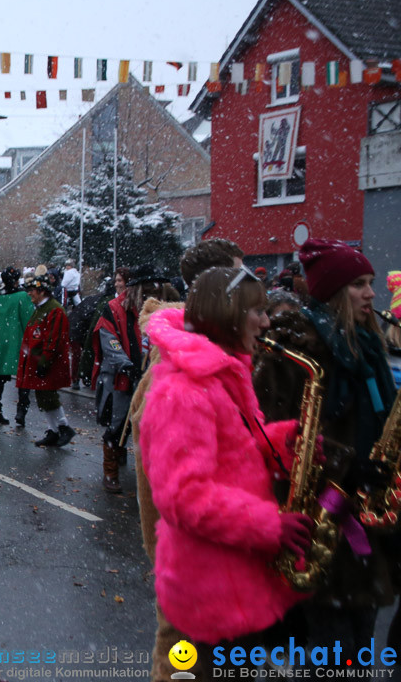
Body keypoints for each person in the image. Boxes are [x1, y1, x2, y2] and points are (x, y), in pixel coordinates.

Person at [138, 267, 312, 667]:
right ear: (229, 314)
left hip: (233, 581)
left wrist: (286, 443)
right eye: (257, 311)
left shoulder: (222, 375)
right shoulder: (184, 390)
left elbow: (238, 454)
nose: (267, 322)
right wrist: (269, 526)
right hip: (209, 594)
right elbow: (184, 496)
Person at [253, 239, 396, 661]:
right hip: (319, 523)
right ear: (334, 292)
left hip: (369, 518)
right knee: (334, 654)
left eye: (370, 283)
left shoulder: (368, 349)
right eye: (358, 284)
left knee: (359, 646)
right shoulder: (295, 353)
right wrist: (344, 465)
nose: (371, 293)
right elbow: (271, 437)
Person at [125, 238, 244, 682]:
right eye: (240, 277)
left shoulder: (223, 350)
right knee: (185, 660)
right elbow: (172, 487)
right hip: (195, 559)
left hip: (230, 556)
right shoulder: (177, 364)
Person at [91, 265, 175, 493]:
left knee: (149, 425)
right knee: (117, 424)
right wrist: (127, 366)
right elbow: (109, 341)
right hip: (121, 378)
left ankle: (145, 471)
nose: (153, 295)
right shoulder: (114, 309)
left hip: (154, 377)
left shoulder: (161, 310)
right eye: (148, 290)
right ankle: (110, 470)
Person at [17, 277, 75, 447]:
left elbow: (54, 339)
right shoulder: (41, 309)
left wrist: (44, 361)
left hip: (48, 363)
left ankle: (63, 427)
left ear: (42, 291)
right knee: (42, 396)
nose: (29, 294)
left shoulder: (54, 310)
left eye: (32, 291)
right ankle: (53, 430)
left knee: (49, 395)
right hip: (39, 361)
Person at [0, 267, 34, 424]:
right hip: (16, 342)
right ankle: (21, 412)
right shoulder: (22, 297)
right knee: (23, 378)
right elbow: (28, 320)